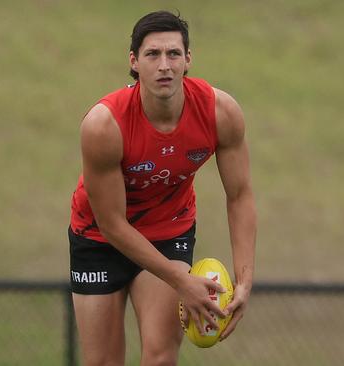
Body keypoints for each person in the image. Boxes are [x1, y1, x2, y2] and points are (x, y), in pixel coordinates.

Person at [68, 10, 256, 366]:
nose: (164, 65)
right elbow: (112, 224)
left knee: (160, 358)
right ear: (134, 62)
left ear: (188, 60)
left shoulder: (220, 112)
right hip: (99, 238)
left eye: (173, 54)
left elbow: (240, 195)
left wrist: (244, 278)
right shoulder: (104, 125)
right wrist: (179, 280)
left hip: (169, 231)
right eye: (152, 54)